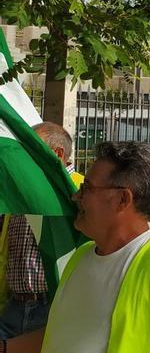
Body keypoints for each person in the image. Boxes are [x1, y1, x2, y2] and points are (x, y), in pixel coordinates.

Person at [8, 141, 150, 352]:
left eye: (86, 188)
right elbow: (61, 332)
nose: (75, 196)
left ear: (122, 199)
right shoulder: (82, 255)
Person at [0, 123, 82, 341]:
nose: (23, 158)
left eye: (31, 150)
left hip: (54, 305)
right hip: (14, 306)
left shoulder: (81, 190)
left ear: (56, 154)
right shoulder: (21, 188)